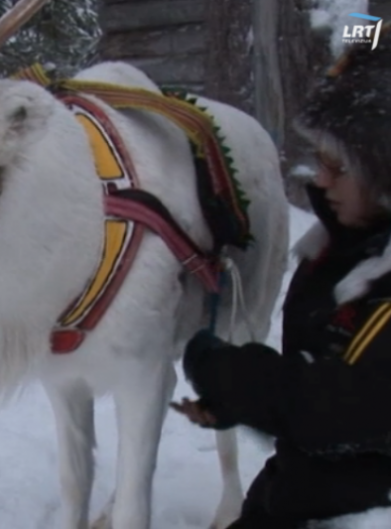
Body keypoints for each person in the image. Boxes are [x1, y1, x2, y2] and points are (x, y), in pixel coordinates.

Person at [171, 31, 391, 528]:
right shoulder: (343, 250)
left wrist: (237, 379)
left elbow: (350, 407)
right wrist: (241, 402)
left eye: (340, 167)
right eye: (321, 161)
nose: (319, 180)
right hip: (305, 490)